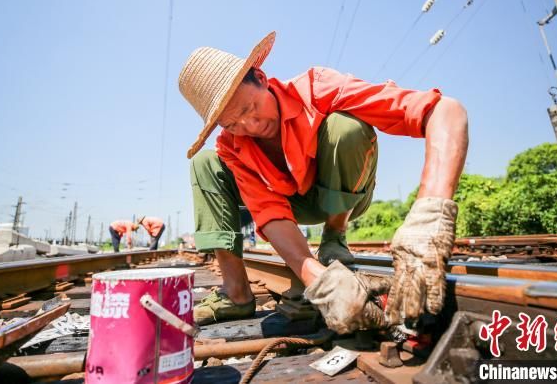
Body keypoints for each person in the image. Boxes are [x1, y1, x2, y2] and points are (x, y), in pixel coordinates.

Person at [178, 32, 468, 333]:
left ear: (262, 79)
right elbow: (269, 213)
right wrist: (320, 281)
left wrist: (430, 215)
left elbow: (446, 110)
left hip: (344, 192)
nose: (250, 126)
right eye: (232, 123)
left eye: (250, 108)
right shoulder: (233, 144)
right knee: (205, 163)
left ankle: (335, 235)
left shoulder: (316, 88)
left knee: (347, 127)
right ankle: (236, 291)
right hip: (291, 204)